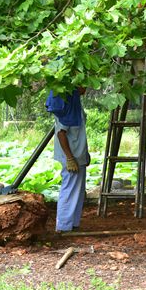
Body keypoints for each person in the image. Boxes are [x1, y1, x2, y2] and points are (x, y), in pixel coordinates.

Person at [45, 87, 89, 234]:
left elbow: (79, 132)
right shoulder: (68, 105)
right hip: (71, 156)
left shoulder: (75, 103)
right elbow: (61, 134)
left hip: (78, 154)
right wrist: (70, 158)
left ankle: (73, 224)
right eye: (83, 85)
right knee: (70, 188)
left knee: (78, 190)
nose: (86, 88)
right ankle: (63, 226)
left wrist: (84, 154)